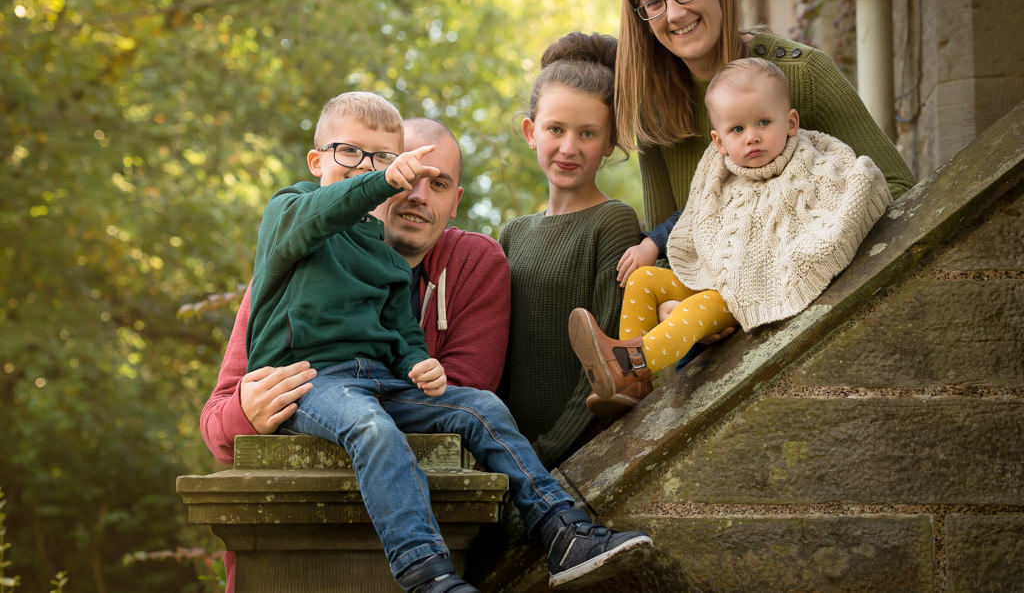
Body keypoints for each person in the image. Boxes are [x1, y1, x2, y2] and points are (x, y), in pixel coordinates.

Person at [242, 91, 653, 592]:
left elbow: (401, 332)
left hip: (378, 381)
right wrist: (382, 180)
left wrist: (419, 363)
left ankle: (561, 530)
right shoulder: (289, 212)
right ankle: (428, 576)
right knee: (371, 428)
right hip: (311, 383)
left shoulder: (385, 256)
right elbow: (324, 213)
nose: (363, 168)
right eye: (349, 152)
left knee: (480, 407)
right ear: (317, 160)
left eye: (380, 159)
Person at [570, 58, 893, 405]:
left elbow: (837, 206)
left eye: (764, 122)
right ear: (720, 142)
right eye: (737, 130)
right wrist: (652, 242)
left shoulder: (808, 167)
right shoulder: (720, 176)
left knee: (698, 308)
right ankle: (633, 387)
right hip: (717, 276)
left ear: (791, 122)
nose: (752, 136)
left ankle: (628, 363)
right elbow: (695, 216)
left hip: (755, 286)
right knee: (644, 281)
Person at [612, 0, 916, 287]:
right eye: (655, 2)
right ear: (641, 19)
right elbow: (671, 247)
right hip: (713, 308)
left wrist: (814, 259)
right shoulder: (655, 111)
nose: (674, 13)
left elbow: (899, 190)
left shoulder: (803, 73)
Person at [499, 32, 645, 462]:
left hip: (574, 457)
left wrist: (547, 454)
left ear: (610, 144)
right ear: (531, 132)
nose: (568, 148)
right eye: (555, 129)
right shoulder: (511, 234)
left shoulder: (613, 223)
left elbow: (605, 360)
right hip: (507, 451)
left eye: (587, 134)